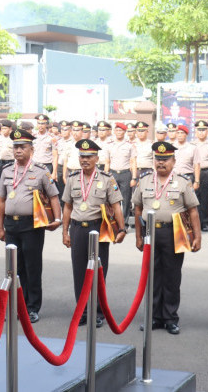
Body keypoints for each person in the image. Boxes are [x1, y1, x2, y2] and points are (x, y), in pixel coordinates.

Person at [133, 141, 201, 335]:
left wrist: (197, 237)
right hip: (149, 232)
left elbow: (193, 211)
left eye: (165, 159)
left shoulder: (182, 182)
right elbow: (137, 208)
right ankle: (153, 316)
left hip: (174, 232)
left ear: (174, 160)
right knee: (151, 275)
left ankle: (170, 317)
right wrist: (138, 236)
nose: (161, 163)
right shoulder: (144, 181)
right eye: (158, 159)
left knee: (172, 276)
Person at [0, 128, 61, 323]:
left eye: (22, 147)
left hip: (32, 225)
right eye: (15, 147)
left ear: (31, 150)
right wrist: (0, 227)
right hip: (11, 225)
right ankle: (17, 304)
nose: (18, 151)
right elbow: (1, 200)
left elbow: (54, 197)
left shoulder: (41, 171)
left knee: (32, 267)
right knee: (13, 268)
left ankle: (32, 307)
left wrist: (57, 220)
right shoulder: (7, 171)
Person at [62, 138, 126, 327]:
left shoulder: (107, 179)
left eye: (89, 156)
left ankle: (98, 311)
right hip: (77, 229)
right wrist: (65, 232)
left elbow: (116, 205)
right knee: (79, 271)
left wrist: (121, 229)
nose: (85, 160)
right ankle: (81, 310)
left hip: (98, 229)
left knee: (98, 271)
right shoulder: (73, 179)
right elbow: (67, 207)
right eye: (82, 156)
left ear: (96, 158)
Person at [108, 122, 137, 227]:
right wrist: (106, 176)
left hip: (125, 174)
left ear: (125, 132)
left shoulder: (130, 145)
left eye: (121, 130)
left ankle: (124, 223)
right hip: (113, 174)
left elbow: (133, 161)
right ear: (114, 131)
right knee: (112, 199)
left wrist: (133, 177)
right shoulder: (110, 145)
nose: (119, 132)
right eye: (117, 130)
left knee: (125, 200)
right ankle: (114, 221)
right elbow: (107, 162)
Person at [193, 120, 208, 232]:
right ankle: (197, 220)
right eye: (199, 130)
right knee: (194, 197)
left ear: (207, 132)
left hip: (207, 173)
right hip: (194, 173)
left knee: (206, 197)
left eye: (204, 130)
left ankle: (204, 221)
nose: (201, 132)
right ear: (196, 131)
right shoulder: (192, 145)